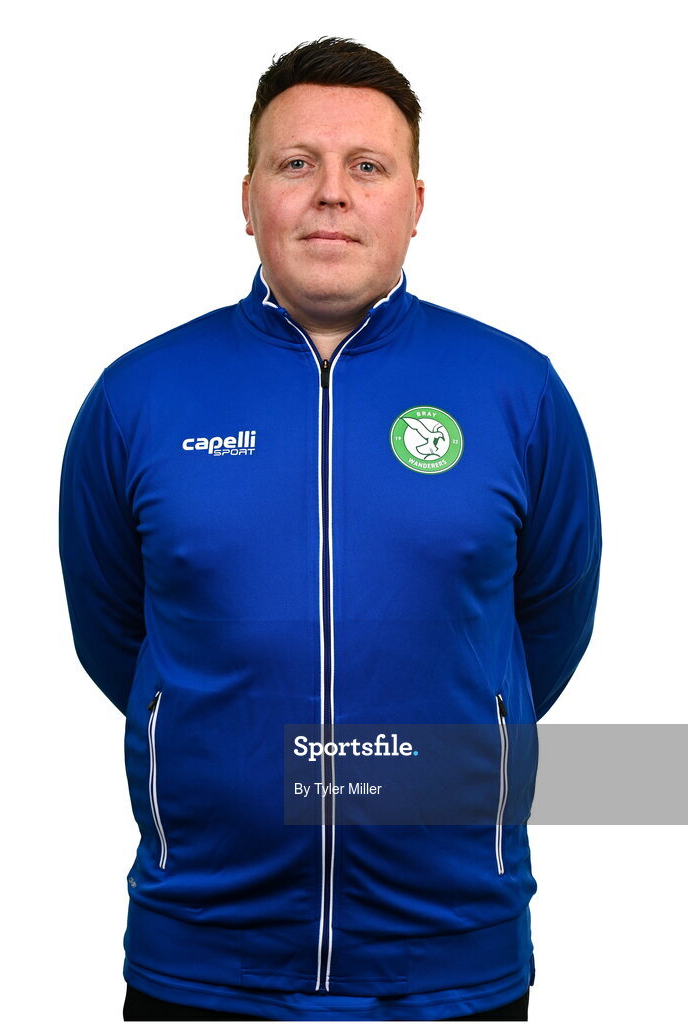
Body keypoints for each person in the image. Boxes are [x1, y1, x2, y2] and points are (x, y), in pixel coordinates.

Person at [58, 36, 602, 1022]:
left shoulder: (517, 391)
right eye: (296, 163)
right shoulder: (138, 396)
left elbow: (542, 629)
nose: (330, 194)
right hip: (203, 956)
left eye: (366, 166)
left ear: (416, 202)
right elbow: (118, 638)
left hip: (449, 959)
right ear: (247, 195)